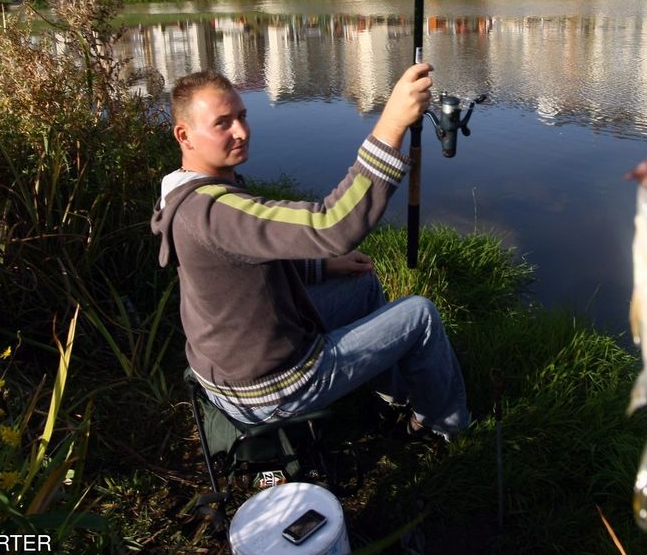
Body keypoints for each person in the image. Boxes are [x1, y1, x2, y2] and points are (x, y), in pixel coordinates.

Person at [151, 65, 469, 440]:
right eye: (222, 123)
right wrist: (392, 123)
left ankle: (393, 397)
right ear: (184, 135)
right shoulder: (214, 211)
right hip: (270, 388)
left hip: (231, 367)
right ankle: (445, 428)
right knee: (421, 315)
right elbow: (332, 224)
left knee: (362, 286)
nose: (241, 131)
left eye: (242, 116)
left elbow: (249, 263)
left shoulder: (184, 196)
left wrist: (323, 267)